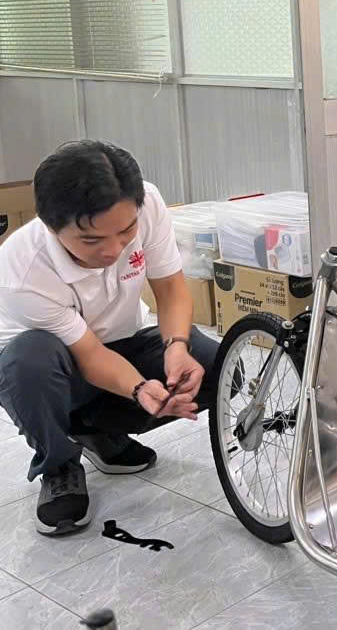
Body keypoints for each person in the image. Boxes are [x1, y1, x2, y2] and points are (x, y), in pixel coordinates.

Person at [0, 141, 219, 536]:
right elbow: (88, 355)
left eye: (126, 232)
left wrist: (176, 347)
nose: (113, 249)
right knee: (29, 360)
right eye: (91, 240)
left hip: (119, 341)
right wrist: (139, 388)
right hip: (50, 369)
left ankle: (96, 432)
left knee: (215, 365)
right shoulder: (22, 271)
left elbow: (171, 289)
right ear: (51, 225)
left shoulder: (145, 203)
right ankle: (59, 463)